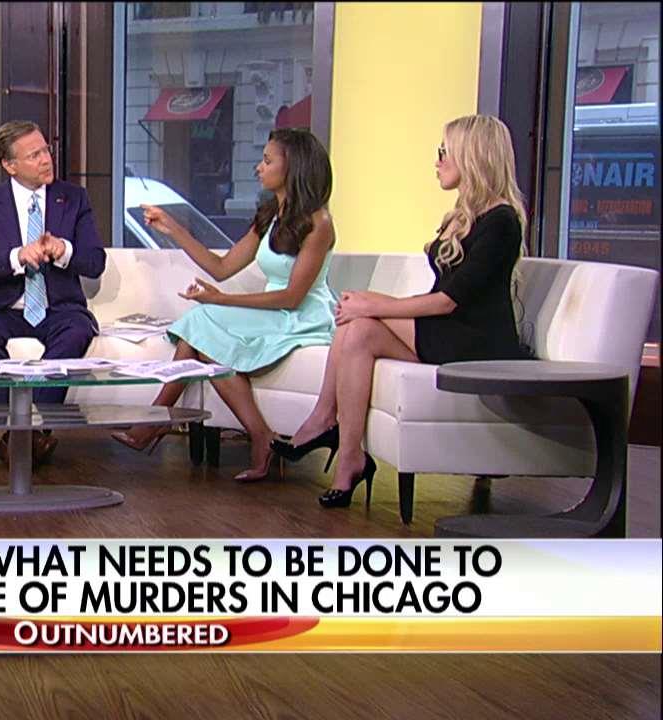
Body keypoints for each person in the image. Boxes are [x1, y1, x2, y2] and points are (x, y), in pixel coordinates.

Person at [277, 114, 530, 509]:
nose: (437, 161)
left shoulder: (501, 222)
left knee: (360, 312)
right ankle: (349, 457)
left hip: (475, 343)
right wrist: (370, 305)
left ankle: (324, 420)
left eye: (444, 152)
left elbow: (448, 300)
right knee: (357, 329)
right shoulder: (467, 216)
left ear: (473, 155)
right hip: (449, 331)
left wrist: (377, 304)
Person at [111, 128, 337, 482]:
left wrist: (221, 299)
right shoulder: (271, 215)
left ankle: (155, 422)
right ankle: (255, 435)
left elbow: (292, 297)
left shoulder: (319, 222)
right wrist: (172, 229)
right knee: (201, 327)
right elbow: (221, 266)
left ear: (293, 167)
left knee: (202, 321)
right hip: (273, 311)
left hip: (301, 315)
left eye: (267, 161)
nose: (258, 168)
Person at [0, 120, 107, 465]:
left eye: (46, 150)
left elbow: (95, 262)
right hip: (4, 307)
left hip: (59, 308)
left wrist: (64, 250)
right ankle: (22, 430)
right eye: (34, 155)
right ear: (9, 165)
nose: (46, 159)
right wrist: (17, 257)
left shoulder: (74, 198)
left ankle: (24, 434)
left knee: (77, 330)